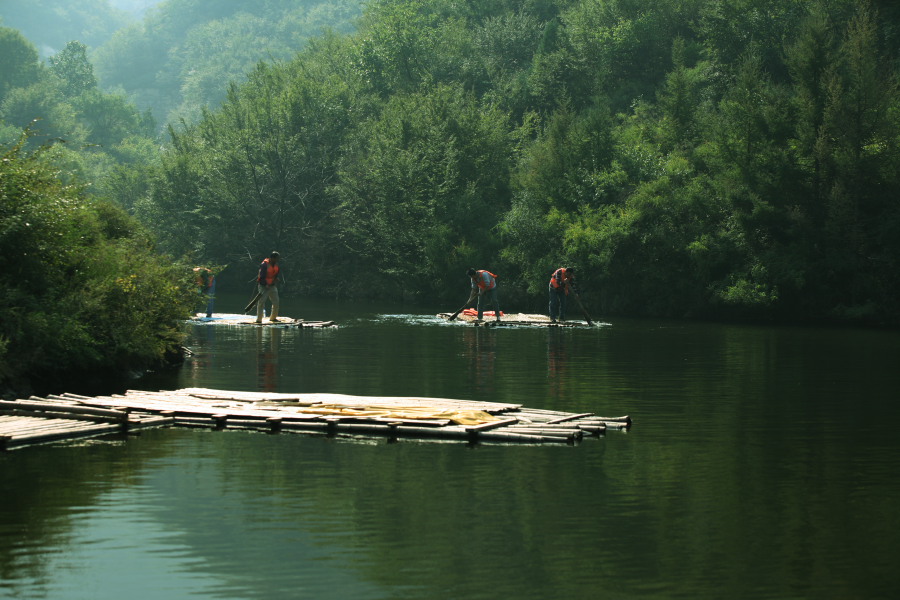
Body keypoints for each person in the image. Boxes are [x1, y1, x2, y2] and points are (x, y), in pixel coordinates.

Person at [255, 251, 281, 323]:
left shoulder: (276, 265)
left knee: (276, 302)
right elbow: (262, 276)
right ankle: (259, 320)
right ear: (272, 258)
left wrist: (276, 279)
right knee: (261, 302)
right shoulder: (264, 265)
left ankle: (273, 318)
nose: (278, 260)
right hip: (263, 286)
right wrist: (266, 284)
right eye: (276, 258)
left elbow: (276, 274)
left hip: (272, 286)